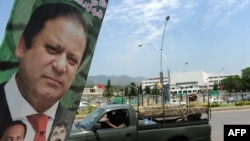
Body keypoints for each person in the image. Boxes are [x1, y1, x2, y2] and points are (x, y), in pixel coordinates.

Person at [0, 3, 89, 141]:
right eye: (52, 49)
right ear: (22, 46)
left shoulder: (66, 120)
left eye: (72, 59)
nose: (60, 67)